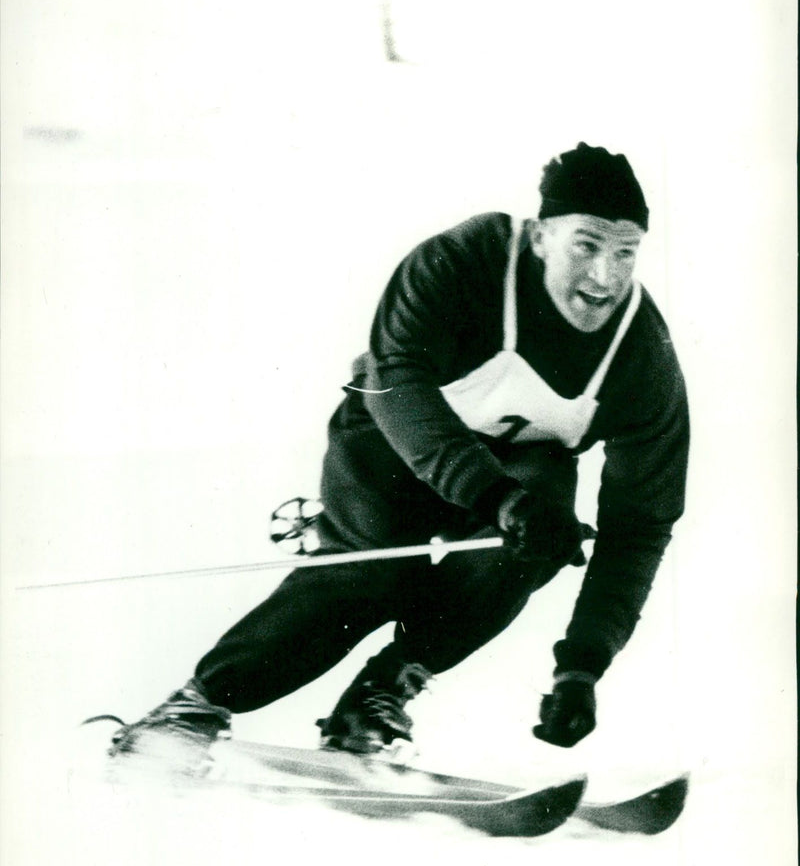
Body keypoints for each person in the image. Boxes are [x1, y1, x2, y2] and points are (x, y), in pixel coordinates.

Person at [110, 142, 689, 768]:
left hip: (516, 472)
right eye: (586, 245)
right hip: (391, 435)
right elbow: (395, 377)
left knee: (532, 539)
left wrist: (583, 665)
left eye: (625, 252)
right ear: (540, 235)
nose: (604, 277)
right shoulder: (466, 264)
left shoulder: (643, 358)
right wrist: (493, 496)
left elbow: (642, 523)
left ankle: (378, 696)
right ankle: (195, 706)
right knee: (368, 573)